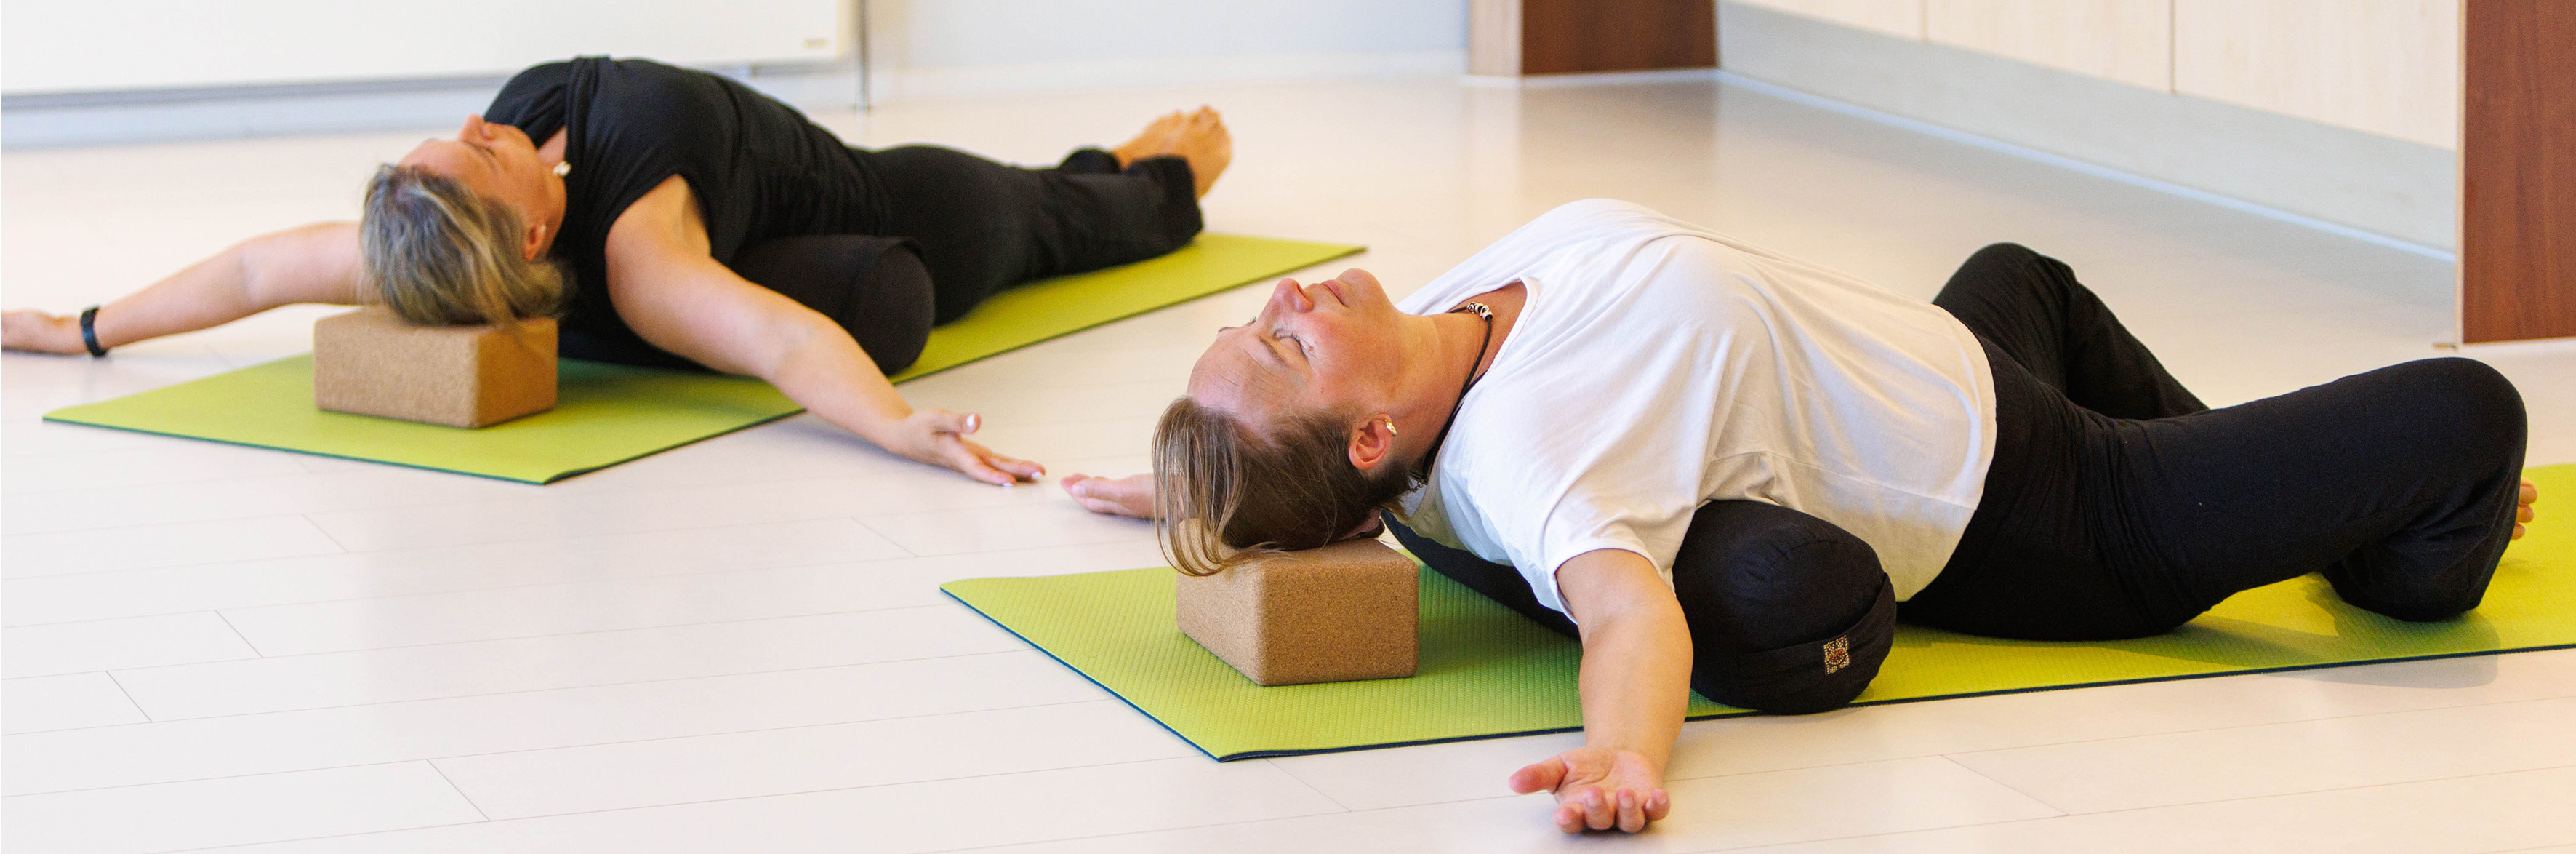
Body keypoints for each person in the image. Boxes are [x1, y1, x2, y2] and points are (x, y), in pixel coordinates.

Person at [1061, 199, 2542, 834]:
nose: (1285, 299)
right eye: (1282, 346)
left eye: (1257, 322)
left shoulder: (1438, 323)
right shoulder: (1523, 456)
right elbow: (1627, 611)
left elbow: (1283, 468)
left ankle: (2294, 493)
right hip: (2034, 506)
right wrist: (1625, 758)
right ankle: (2390, 548)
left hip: (1958, 364)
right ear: (1370, 434)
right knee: (2469, 412)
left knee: (2020, 270)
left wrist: (1190, 489)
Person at [4, 57, 1230, 486]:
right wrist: (907, 430)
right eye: (486, 152)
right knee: (958, 266)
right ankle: (1168, 179)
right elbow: (785, 342)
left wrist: (81, 325)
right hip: (888, 239)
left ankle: (1136, 167)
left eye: (465, 133)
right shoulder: (636, 260)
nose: (484, 125)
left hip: (893, 187)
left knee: (1048, 207)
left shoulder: (439, 226)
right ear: (532, 240)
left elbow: (258, 268)